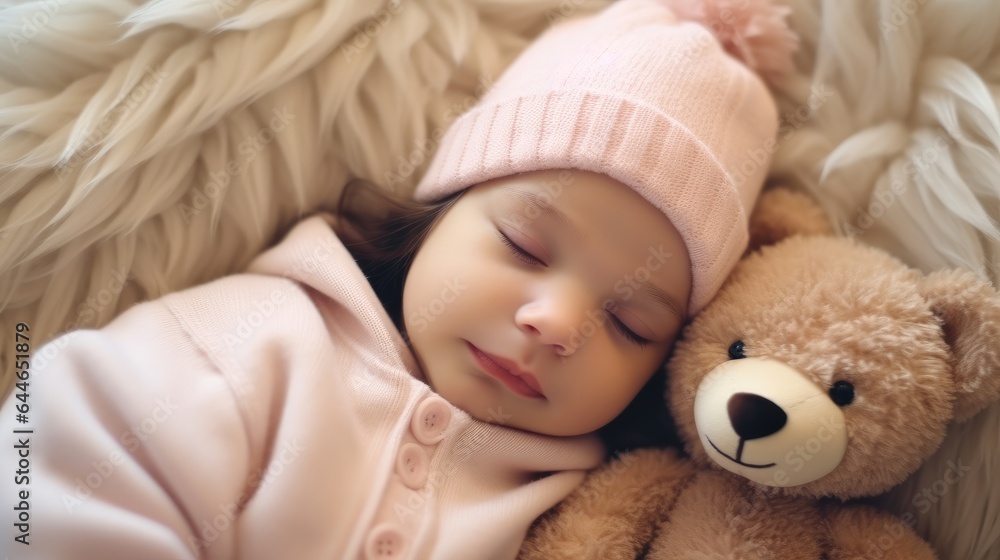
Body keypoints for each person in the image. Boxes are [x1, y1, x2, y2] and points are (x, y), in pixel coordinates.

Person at [0, 0, 796, 558]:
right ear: (438, 214)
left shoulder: (575, 504)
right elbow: (54, 460)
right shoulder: (269, 340)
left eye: (632, 325)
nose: (557, 321)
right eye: (523, 243)